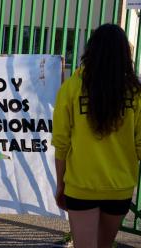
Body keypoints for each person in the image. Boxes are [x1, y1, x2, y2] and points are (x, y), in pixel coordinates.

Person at [52, 24, 141, 248]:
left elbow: (61, 142)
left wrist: (61, 185)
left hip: (80, 185)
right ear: (125, 53)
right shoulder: (136, 92)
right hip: (119, 186)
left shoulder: (72, 87)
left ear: (91, 50)